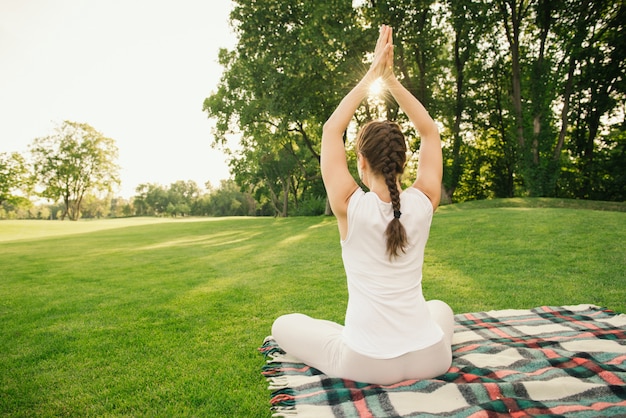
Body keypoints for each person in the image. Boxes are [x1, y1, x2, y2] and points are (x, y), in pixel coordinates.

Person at [271, 25, 454, 385]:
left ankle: (342, 335)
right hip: (433, 358)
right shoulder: (424, 201)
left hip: (365, 362)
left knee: (283, 325)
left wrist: (373, 73)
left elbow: (330, 130)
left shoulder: (348, 205)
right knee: (441, 309)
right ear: (404, 161)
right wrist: (392, 80)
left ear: (362, 161)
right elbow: (430, 131)